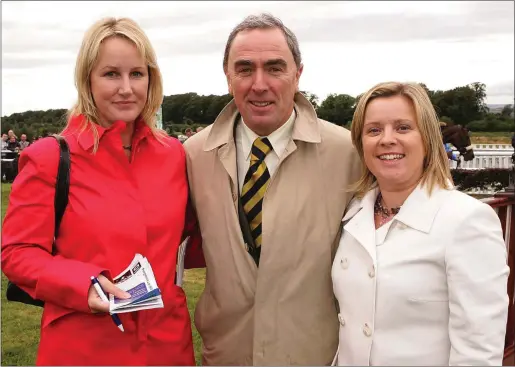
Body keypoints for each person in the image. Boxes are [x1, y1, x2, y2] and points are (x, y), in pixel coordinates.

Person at [1, 17, 203, 366]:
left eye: (137, 74)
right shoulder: (50, 157)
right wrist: (83, 284)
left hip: (166, 345)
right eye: (111, 74)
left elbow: (190, 239)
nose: (126, 87)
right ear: (88, 80)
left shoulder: (173, 155)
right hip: (83, 345)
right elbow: (17, 253)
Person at [183, 12, 361, 366]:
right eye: (245, 68)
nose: (259, 84)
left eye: (275, 68)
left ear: (298, 75)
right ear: (228, 76)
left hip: (315, 356)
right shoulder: (192, 156)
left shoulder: (349, 154)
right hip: (228, 355)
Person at [332, 81, 509, 366]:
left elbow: (478, 353)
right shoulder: (353, 214)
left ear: (427, 139)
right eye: (374, 130)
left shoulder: (466, 221)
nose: (387, 139)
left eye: (403, 127)